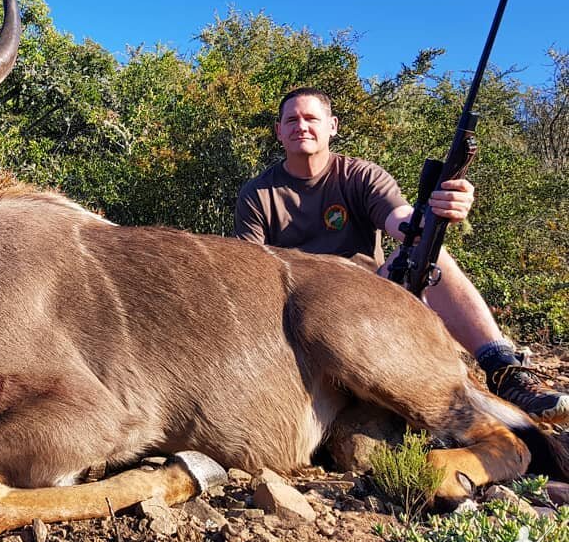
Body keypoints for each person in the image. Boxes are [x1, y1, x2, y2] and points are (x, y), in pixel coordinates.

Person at [234, 87, 569, 423]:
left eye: (311, 118)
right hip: (299, 317)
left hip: (367, 298)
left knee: (430, 252)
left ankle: (503, 369)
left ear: (332, 126)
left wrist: (440, 211)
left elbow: (403, 222)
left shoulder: (360, 176)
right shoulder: (257, 194)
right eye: (291, 120)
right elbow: (251, 274)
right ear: (279, 130)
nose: (301, 126)